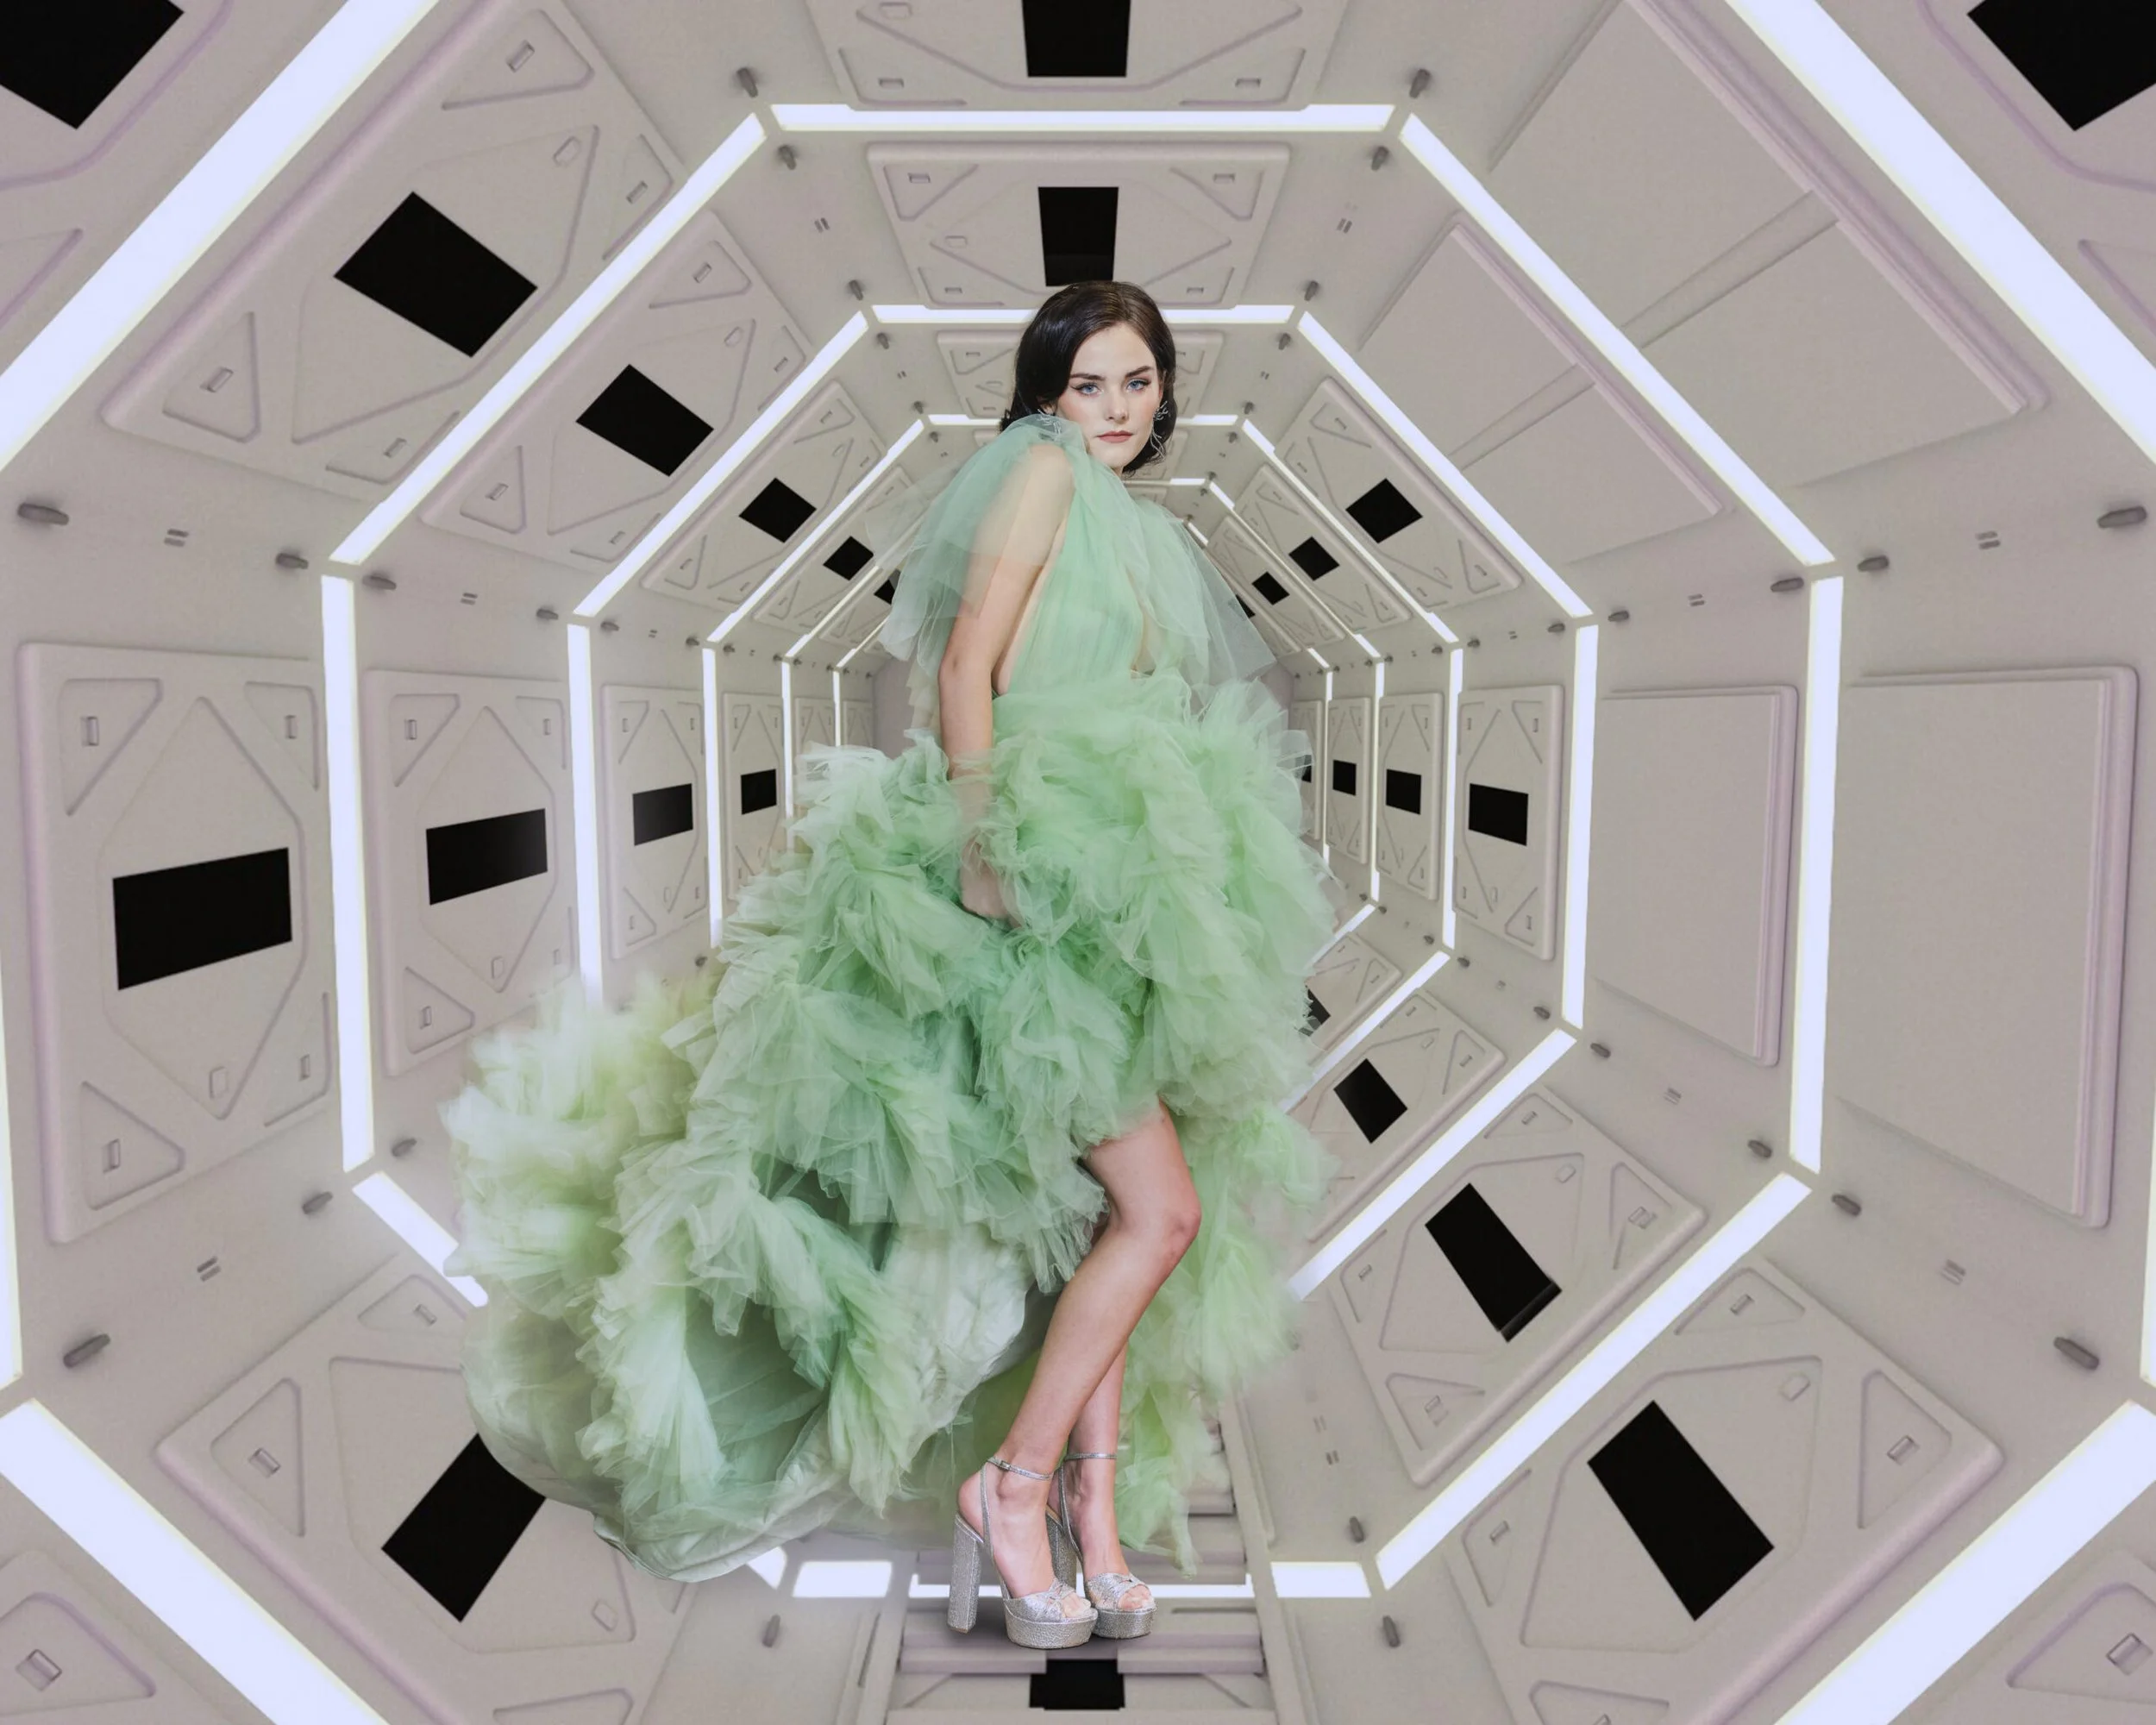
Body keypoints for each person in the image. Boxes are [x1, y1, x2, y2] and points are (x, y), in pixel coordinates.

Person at [441, 279, 1338, 1649]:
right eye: (1090, 382)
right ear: (1048, 391)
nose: (1115, 408)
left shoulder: (1134, 529)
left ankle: (1087, 1523)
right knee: (1159, 1215)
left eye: (1139, 383)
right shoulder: (1038, 476)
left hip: (1108, 886)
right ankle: (1013, 1484)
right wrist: (986, 844)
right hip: (1020, 873)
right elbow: (967, 666)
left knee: (1097, 1224)